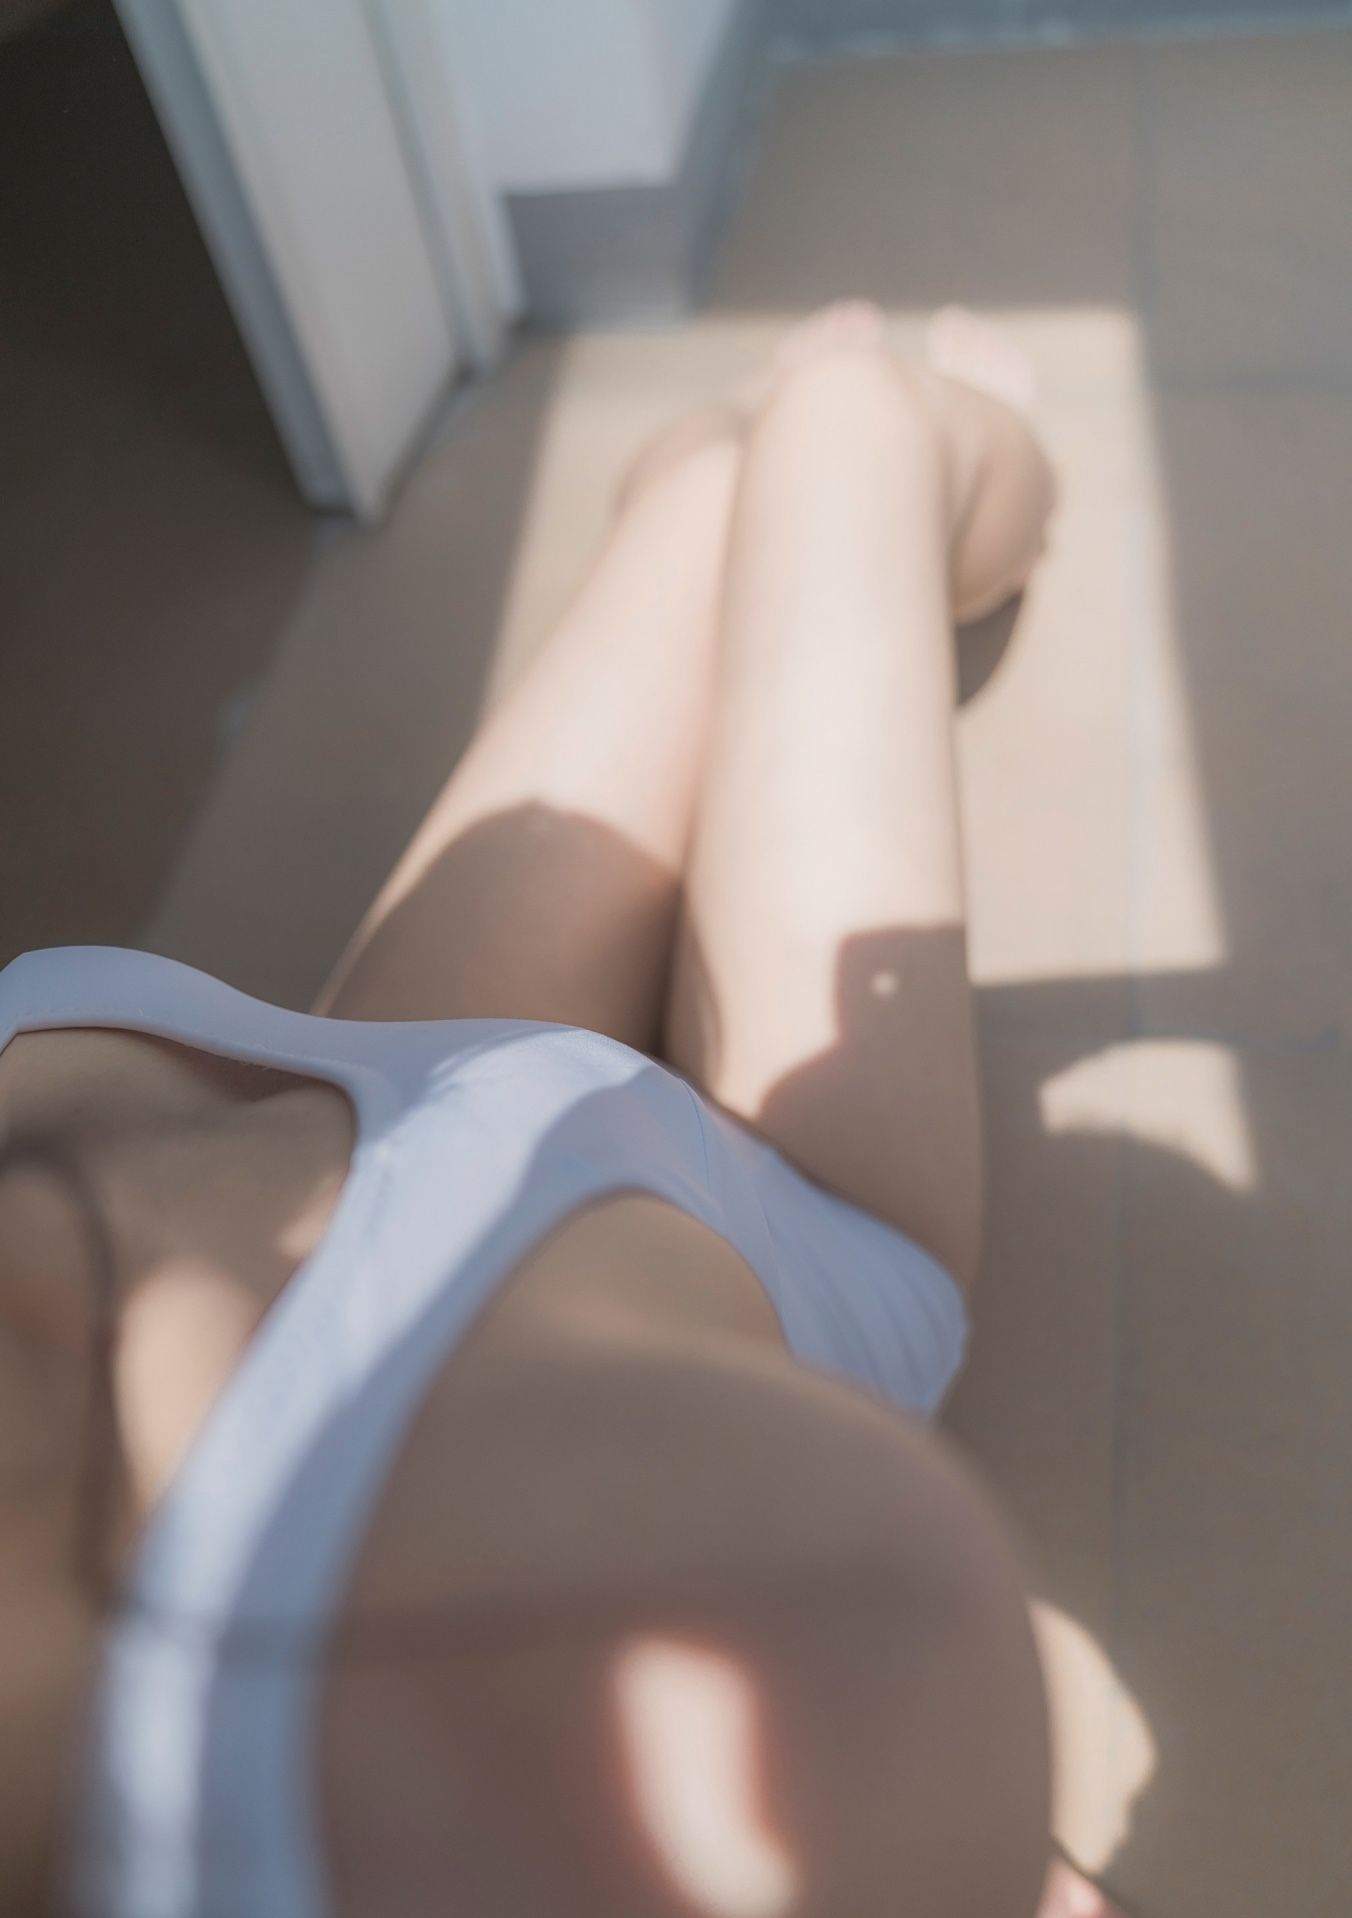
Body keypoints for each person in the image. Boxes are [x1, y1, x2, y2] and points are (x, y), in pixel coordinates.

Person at [0, 301, 1114, 1917]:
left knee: (723, 477)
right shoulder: (658, 1734)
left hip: (420, 1099)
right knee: (856, 416)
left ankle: (723, 460)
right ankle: (950, 471)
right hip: (803, 1217)